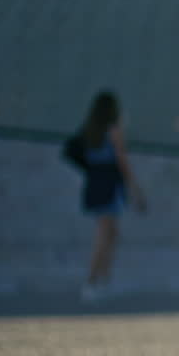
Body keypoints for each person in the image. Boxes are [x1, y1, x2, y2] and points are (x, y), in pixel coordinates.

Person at [76, 90, 146, 302]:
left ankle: (102, 280)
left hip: (96, 184)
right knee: (105, 234)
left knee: (111, 234)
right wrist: (135, 188)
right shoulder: (113, 131)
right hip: (110, 186)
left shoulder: (91, 130)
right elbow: (122, 161)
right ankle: (93, 282)